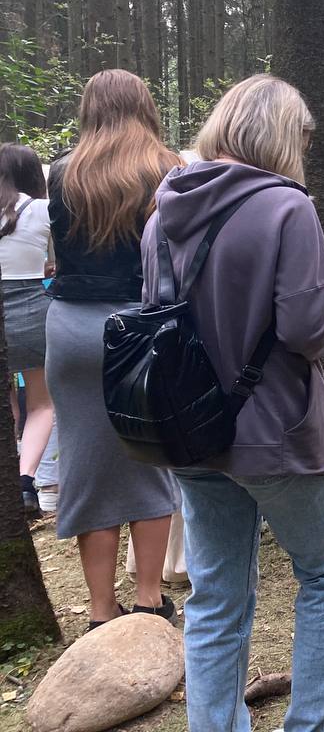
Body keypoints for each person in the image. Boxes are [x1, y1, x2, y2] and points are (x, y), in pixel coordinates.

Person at [143, 74, 324, 732]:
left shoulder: (162, 214)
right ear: (280, 137)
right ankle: (315, 722)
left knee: (216, 598)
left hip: (192, 432)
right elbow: (305, 330)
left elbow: (158, 319)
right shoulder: (288, 209)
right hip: (279, 433)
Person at [45, 69, 178, 629]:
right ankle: (149, 599)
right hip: (142, 327)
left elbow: (56, 255)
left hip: (71, 329)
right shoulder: (169, 170)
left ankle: (101, 609)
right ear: (145, 107)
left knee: (86, 461)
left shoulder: (60, 173)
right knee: (150, 457)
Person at [0, 144, 55, 514]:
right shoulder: (41, 209)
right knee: (42, 403)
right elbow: (55, 261)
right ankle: (25, 481)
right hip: (33, 310)